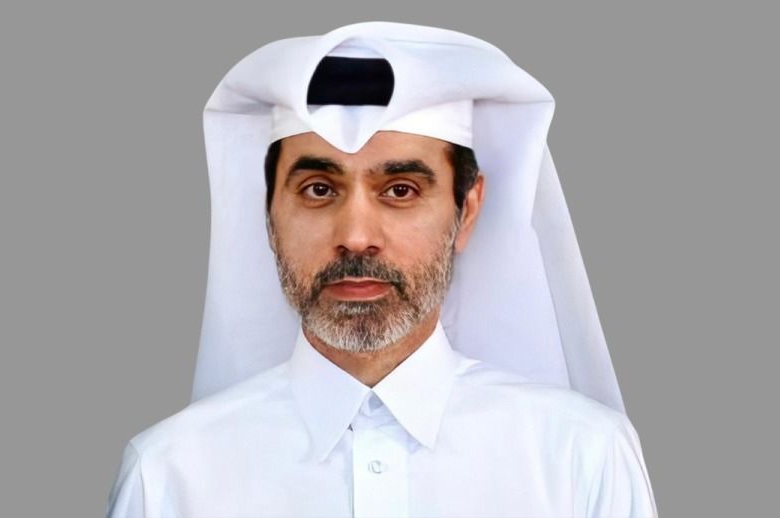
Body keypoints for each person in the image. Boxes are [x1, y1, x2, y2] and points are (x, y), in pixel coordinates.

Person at [107, 21, 657, 517]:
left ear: (467, 210)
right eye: (318, 189)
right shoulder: (169, 476)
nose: (355, 236)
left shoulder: (583, 460)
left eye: (400, 190)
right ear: (269, 213)